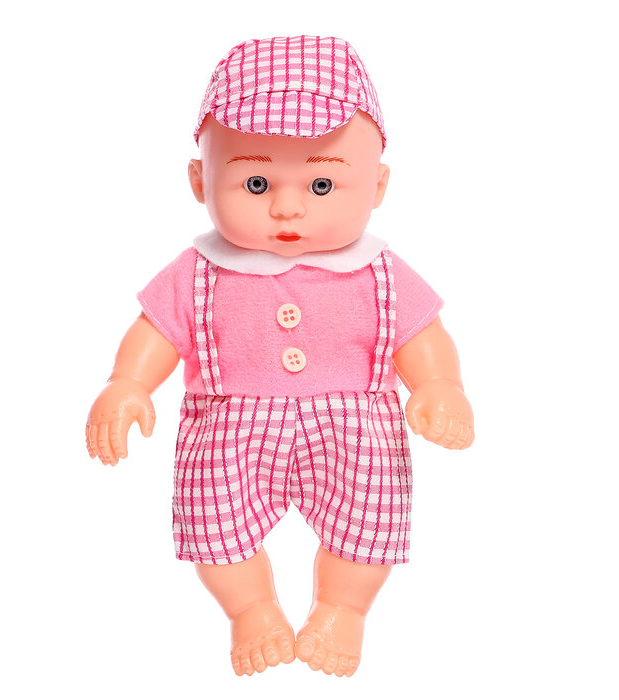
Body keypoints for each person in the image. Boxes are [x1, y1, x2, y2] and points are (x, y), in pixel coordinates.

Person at [86, 35, 474, 678]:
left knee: (369, 522)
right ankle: (252, 610)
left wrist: (439, 385)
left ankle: (343, 609)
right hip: (229, 424)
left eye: (322, 183)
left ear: (377, 185)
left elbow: (421, 334)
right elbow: (157, 329)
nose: (287, 206)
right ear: (199, 180)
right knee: (213, 522)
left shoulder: (379, 269)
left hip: (356, 424)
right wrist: (127, 381)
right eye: (256, 181)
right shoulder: (199, 269)